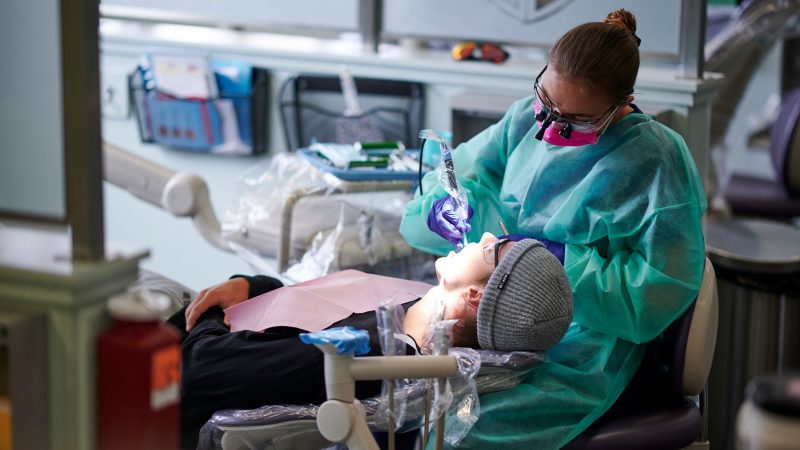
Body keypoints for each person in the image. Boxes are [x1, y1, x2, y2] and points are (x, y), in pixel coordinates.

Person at [400, 9, 707, 450]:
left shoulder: (656, 161)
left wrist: (558, 264)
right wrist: (442, 207)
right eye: (545, 103)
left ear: (620, 104)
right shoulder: (525, 121)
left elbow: (659, 292)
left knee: (464, 425)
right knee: (408, 399)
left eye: (572, 121)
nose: (546, 128)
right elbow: (462, 173)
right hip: (497, 325)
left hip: (586, 347)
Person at [172, 233, 572, 450]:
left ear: (475, 296)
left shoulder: (367, 354)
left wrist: (209, 316)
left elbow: (199, 369)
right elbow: (294, 324)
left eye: (491, 249)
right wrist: (253, 286)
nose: (484, 235)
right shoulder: (411, 306)